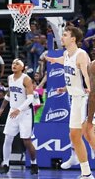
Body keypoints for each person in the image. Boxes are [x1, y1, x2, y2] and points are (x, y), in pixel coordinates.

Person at [47, 26, 94, 178]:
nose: (62, 37)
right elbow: (66, 64)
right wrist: (54, 60)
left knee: (88, 134)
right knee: (74, 135)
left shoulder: (81, 54)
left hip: (85, 98)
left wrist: (89, 88)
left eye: (65, 35)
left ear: (73, 39)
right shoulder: (67, 54)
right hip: (75, 99)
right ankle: (86, 173)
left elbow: (87, 76)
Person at [0, 59, 38, 174]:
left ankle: (34, 163)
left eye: (17, 64)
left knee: (26, 141)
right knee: (8, 138)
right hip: (13, 111)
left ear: (22, 67)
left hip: (25, 113)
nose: (14, 65)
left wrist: (19, 109)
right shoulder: (10, 78)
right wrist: (1, 108)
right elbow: (10, 94)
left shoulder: (26, 79)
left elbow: (30, 98)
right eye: (13, 63)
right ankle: (6, 164)